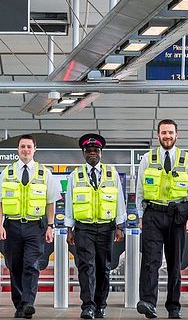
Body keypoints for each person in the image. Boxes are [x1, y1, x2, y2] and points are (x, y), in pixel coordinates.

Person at [136, 120, 188, 319]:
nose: (167, 136)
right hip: (153, 215)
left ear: (176, 135)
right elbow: (139, 190)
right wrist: (141, 217)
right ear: (158, 135)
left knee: (175, 263)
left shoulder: (186, 159)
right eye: (164, 132)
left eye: (170, 132)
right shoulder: (148, 158)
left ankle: (174, 307)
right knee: (150, 261)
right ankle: (148, 302)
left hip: (177, 216)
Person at [0, 134, 61, 319]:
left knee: (31, 265)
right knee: (14, 265)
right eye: (22, 146)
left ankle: (27, 303)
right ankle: (19, 304)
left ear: (34, 149)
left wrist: (50, 226)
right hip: (12, 226)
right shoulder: (7, 172)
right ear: (18, 149)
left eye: (29, 147)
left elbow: (51, 202)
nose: (25, 150)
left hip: (35, 227)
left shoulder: (44, 172)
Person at [65, 133, 126, 319]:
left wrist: (119, 226)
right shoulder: (76, 175)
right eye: (89, 150)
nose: (92, 153)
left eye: (96, 150)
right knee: (86, 267)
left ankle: (100, 304)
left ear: (101, 152)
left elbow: (119, 200)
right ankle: (88, 306)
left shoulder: (111, 172)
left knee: (103, 268)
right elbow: (69, 201)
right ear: (83, 153)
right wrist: (69, 229)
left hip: (106, 228)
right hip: (83, 228)